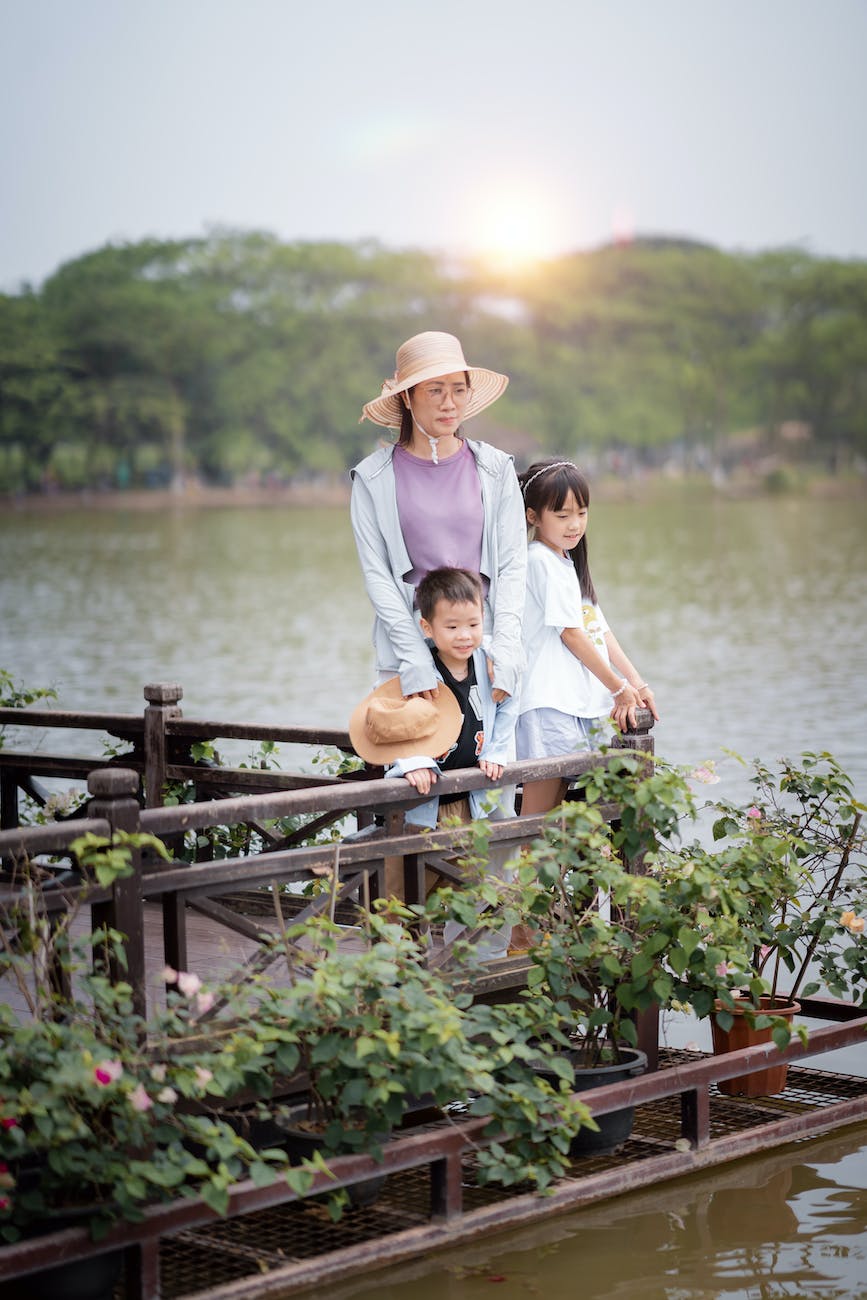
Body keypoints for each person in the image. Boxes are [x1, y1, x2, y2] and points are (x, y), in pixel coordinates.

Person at [348, 568, 519, 959]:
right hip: (420, 804)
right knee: (403, 892)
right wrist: (414, 761)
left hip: (469, 801)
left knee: (476, 885)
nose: (465, 635)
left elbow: (510, 705)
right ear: (427, 627)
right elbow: (392, 722)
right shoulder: (416, 670)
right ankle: (400, 969)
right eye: (453, 626)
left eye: (474, 624)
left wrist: (496, 751)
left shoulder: (490, 662)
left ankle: (474, 964)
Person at [351, 331, 526, 705]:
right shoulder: (373, 479)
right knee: (413, 759)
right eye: (435, 391)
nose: (450, 403)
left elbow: (513, 565)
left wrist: (507, 648)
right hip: (406, 652)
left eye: (458, 390)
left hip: (483, 647)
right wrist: (414, 657)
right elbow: (377, 574)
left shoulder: (495, 469)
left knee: (492, 761)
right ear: (406, 397)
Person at [516, 459, 659, 817]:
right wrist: (617, 688)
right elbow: (572, 635)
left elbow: (597, 629)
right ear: (533, 517)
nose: (575, 524)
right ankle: (518, 876)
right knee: (537, 816)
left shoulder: (564, 561)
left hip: (570, 704)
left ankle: (543, 874)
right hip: (549, 704)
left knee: (562, 817)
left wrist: (637, 683)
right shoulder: (539, 560)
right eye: (562, 515)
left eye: (582, 512)